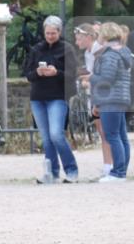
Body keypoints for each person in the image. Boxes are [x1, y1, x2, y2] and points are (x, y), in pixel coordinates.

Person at [23, 15, 80, 184]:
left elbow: (72, 74)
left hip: (57, 96)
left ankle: (71, 170)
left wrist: (57, 72)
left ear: (59, 32)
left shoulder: (67, 49)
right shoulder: (37, 49)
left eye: (53, 33)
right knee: (46, 138)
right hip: (38, 97)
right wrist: (37, 72)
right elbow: (28, 74)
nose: (50, 36)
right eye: (47, 33)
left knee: (56, 135)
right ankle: (52, 172)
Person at [89, 22, 132, 183]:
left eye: (99, 33)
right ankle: (121, 171)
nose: (98, 36)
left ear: (105, 35)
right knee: (121, 136)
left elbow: (106, 79)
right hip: (121, 97)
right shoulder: (123, 52)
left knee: (112, 135)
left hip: (110, 98)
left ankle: (118, 173)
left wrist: (90, 78)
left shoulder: (109, 54)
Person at [75, 23, 113, 176]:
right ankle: (107, 166)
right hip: (95, 94)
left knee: (108, 132)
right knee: (102, 132)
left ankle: (113, 167)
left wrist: (88, 80)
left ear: (89, 37)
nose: (77, 42)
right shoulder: (87, 53)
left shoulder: (100, 51)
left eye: (79, 39)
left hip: (104, 95)